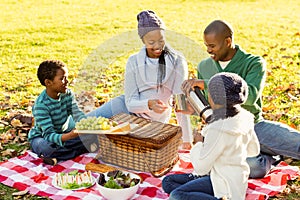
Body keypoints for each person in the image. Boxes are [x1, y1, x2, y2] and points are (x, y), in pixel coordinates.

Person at [181, 20, 300, 178]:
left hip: (254, 127)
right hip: (225, 134)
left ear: (228, 41)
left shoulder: (254, 63)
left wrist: (207, 84)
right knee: (255, 167)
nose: (208, 50)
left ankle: (268, 149)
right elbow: (211, 109)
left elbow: (249, 96)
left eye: (212, 46)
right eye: (206, 45)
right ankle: (272, 156)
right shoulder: (204, 66)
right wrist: (194, 110)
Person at [88, 10, 193, 149]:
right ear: (143, 40)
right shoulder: (134, 61)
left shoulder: (177, 61)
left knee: (94, 143)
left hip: (149, 124)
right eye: (151, 42)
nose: (157, 46)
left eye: (161, 40)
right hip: (124, 109)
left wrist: (186, 139)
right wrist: (149, 104)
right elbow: (130, 103)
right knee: (84, 127)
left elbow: (180, 103)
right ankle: (55, 137)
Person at [162, 72, 260, 200]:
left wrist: (198, 143)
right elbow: (254, 150)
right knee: (168, 182)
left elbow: (201, 168)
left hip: (225, 187)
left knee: (176, 195)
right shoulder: (244, 117)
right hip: (232, 179)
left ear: (213, 97)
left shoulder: (217, 130)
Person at [28, 60, 90, 165]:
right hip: (42, 138)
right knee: (47, 148)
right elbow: (49, 135)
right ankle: (55, 153)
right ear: (48, 82)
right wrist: (71, 135)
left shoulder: (67, 93)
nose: (67, 81)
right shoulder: (41, 105)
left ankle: (57, 156)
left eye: (66, 77)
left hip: (64, 133)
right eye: (62, 78)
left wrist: (88, 126)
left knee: (94, 137)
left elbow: (77, 114)